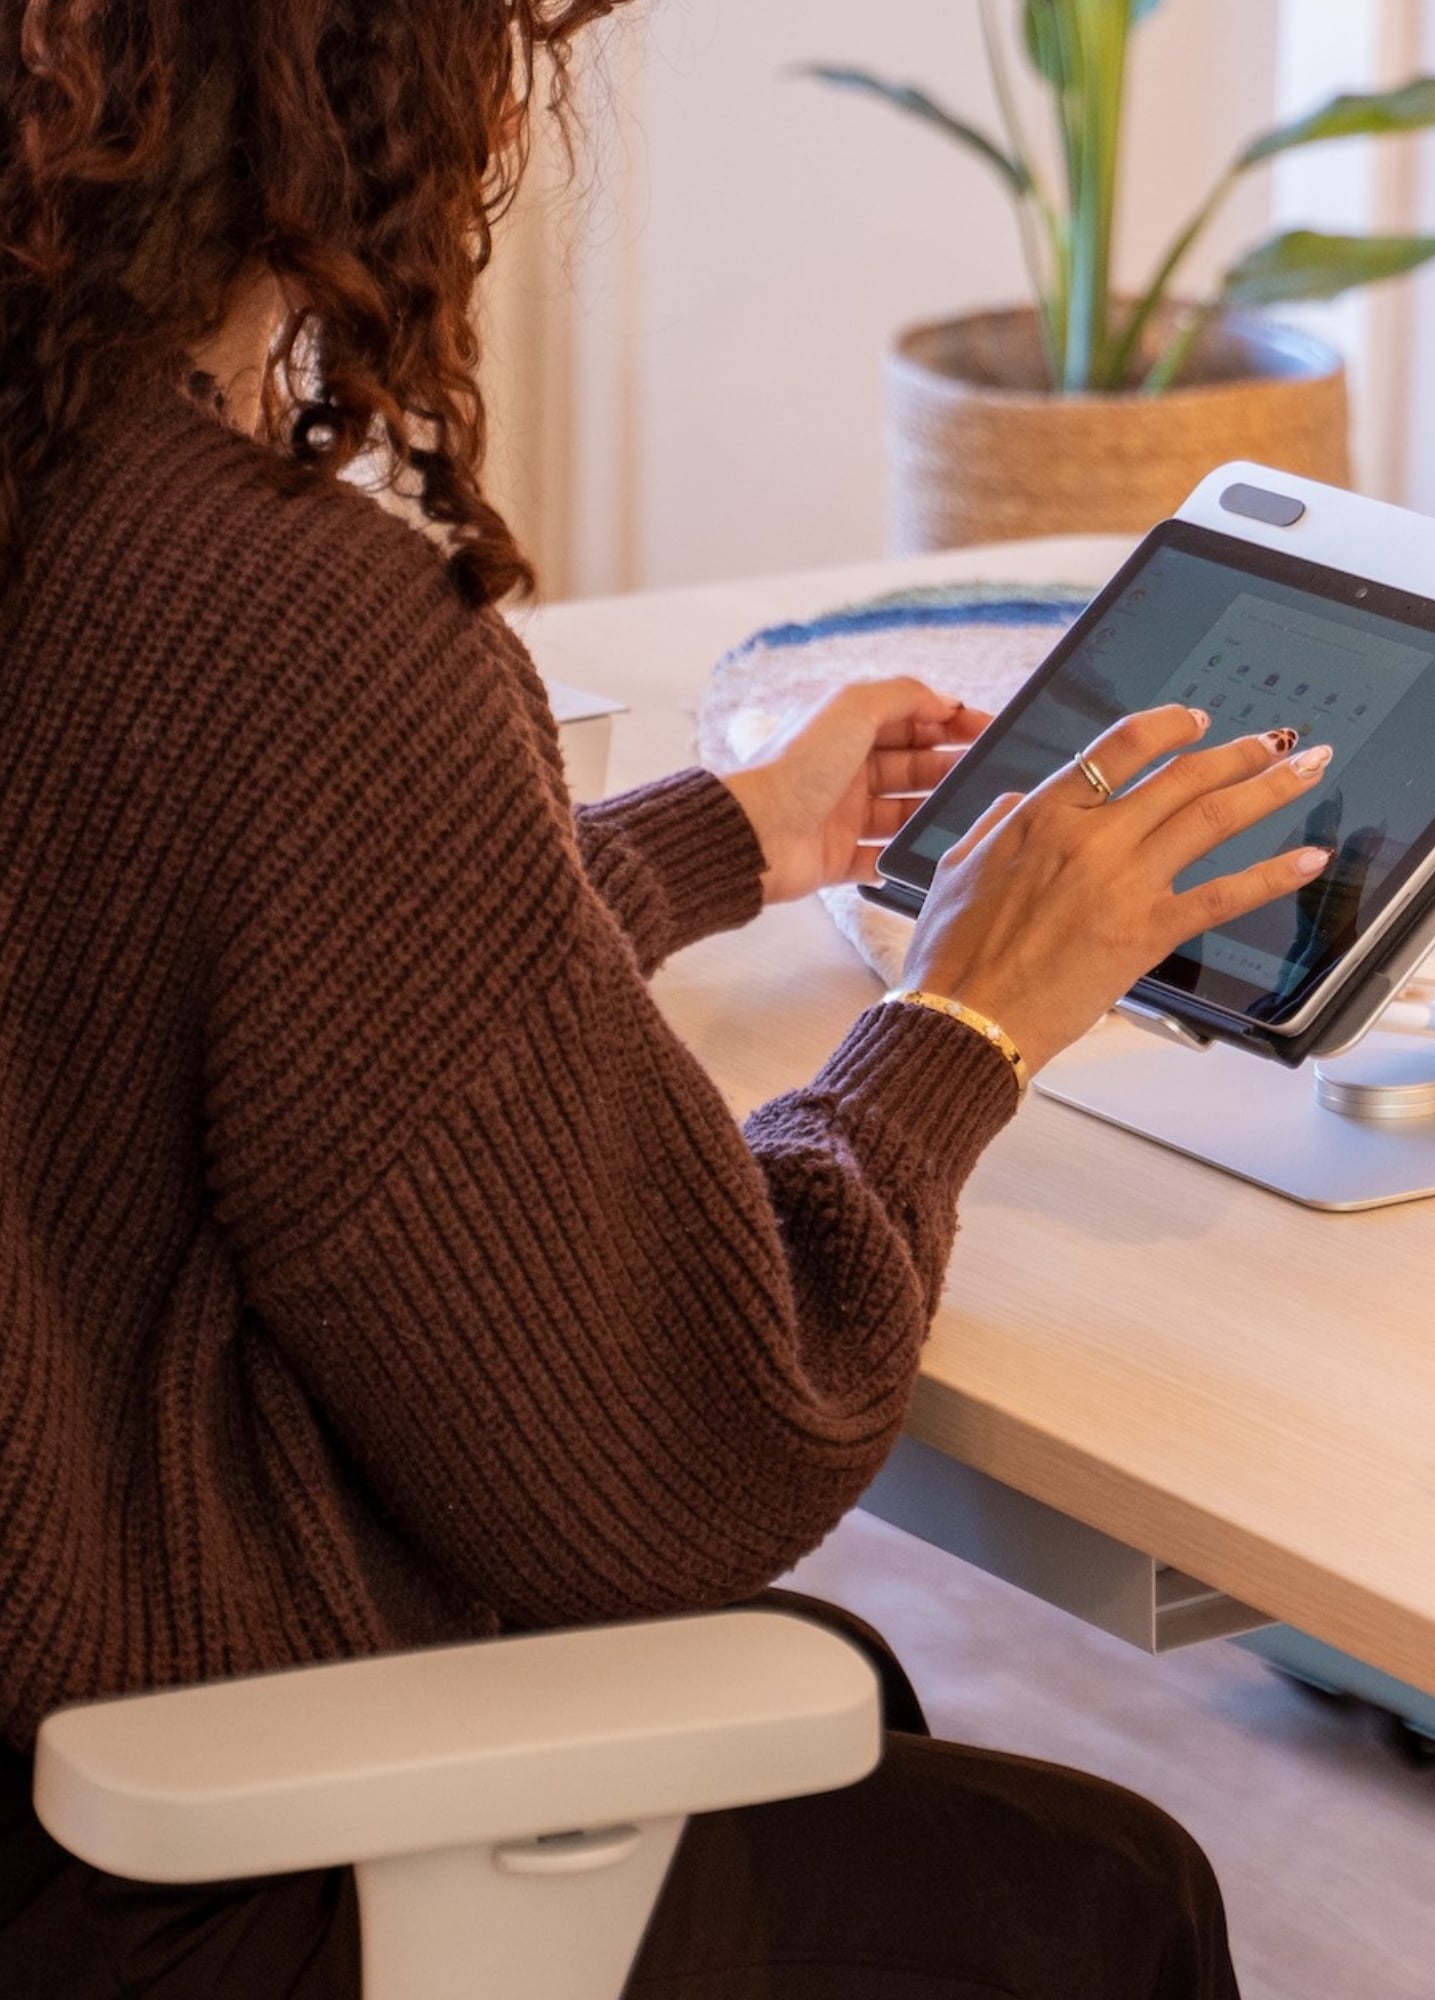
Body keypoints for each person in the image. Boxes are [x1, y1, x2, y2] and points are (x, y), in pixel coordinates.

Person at [0, 4, 1337, 1993]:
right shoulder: (285, 616)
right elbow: (676, 1464)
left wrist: (715, 841)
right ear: (364, 102)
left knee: (824, 1690)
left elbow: (183, 990)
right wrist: (962, 1020)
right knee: (1098, 1889)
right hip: (120, 1865)